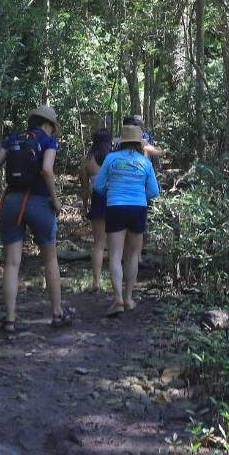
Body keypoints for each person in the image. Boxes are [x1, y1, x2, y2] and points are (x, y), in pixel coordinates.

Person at [0, 104, 75, 332]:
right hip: (39, 203)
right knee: (50, 259)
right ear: (49, 125)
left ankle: (10, 319)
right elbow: (46, 169)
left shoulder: (13, 139)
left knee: (12, 263)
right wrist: (55, 200)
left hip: (12, 202)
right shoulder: (48, 141)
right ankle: (57, 313)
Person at [92, 123, 160, 316]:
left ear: (121, 142)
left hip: (115, 207)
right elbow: (154, 191)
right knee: (132, 256)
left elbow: (98, 186)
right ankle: (129, 298)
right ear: (139, 143)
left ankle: (118, 300)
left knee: (115, 255)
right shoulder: (145, 162)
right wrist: (138, 193)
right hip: (138, 208)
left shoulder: (111, 158)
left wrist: (112, 190)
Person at [78, 128, 114, 293]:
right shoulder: (114, 158)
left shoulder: (86, 160)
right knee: (115, 245)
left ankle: (96, 283)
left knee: (98, 244)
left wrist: (85, 206)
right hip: (115, 200)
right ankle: (116, 285)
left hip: (98, 201)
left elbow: (85, 188)